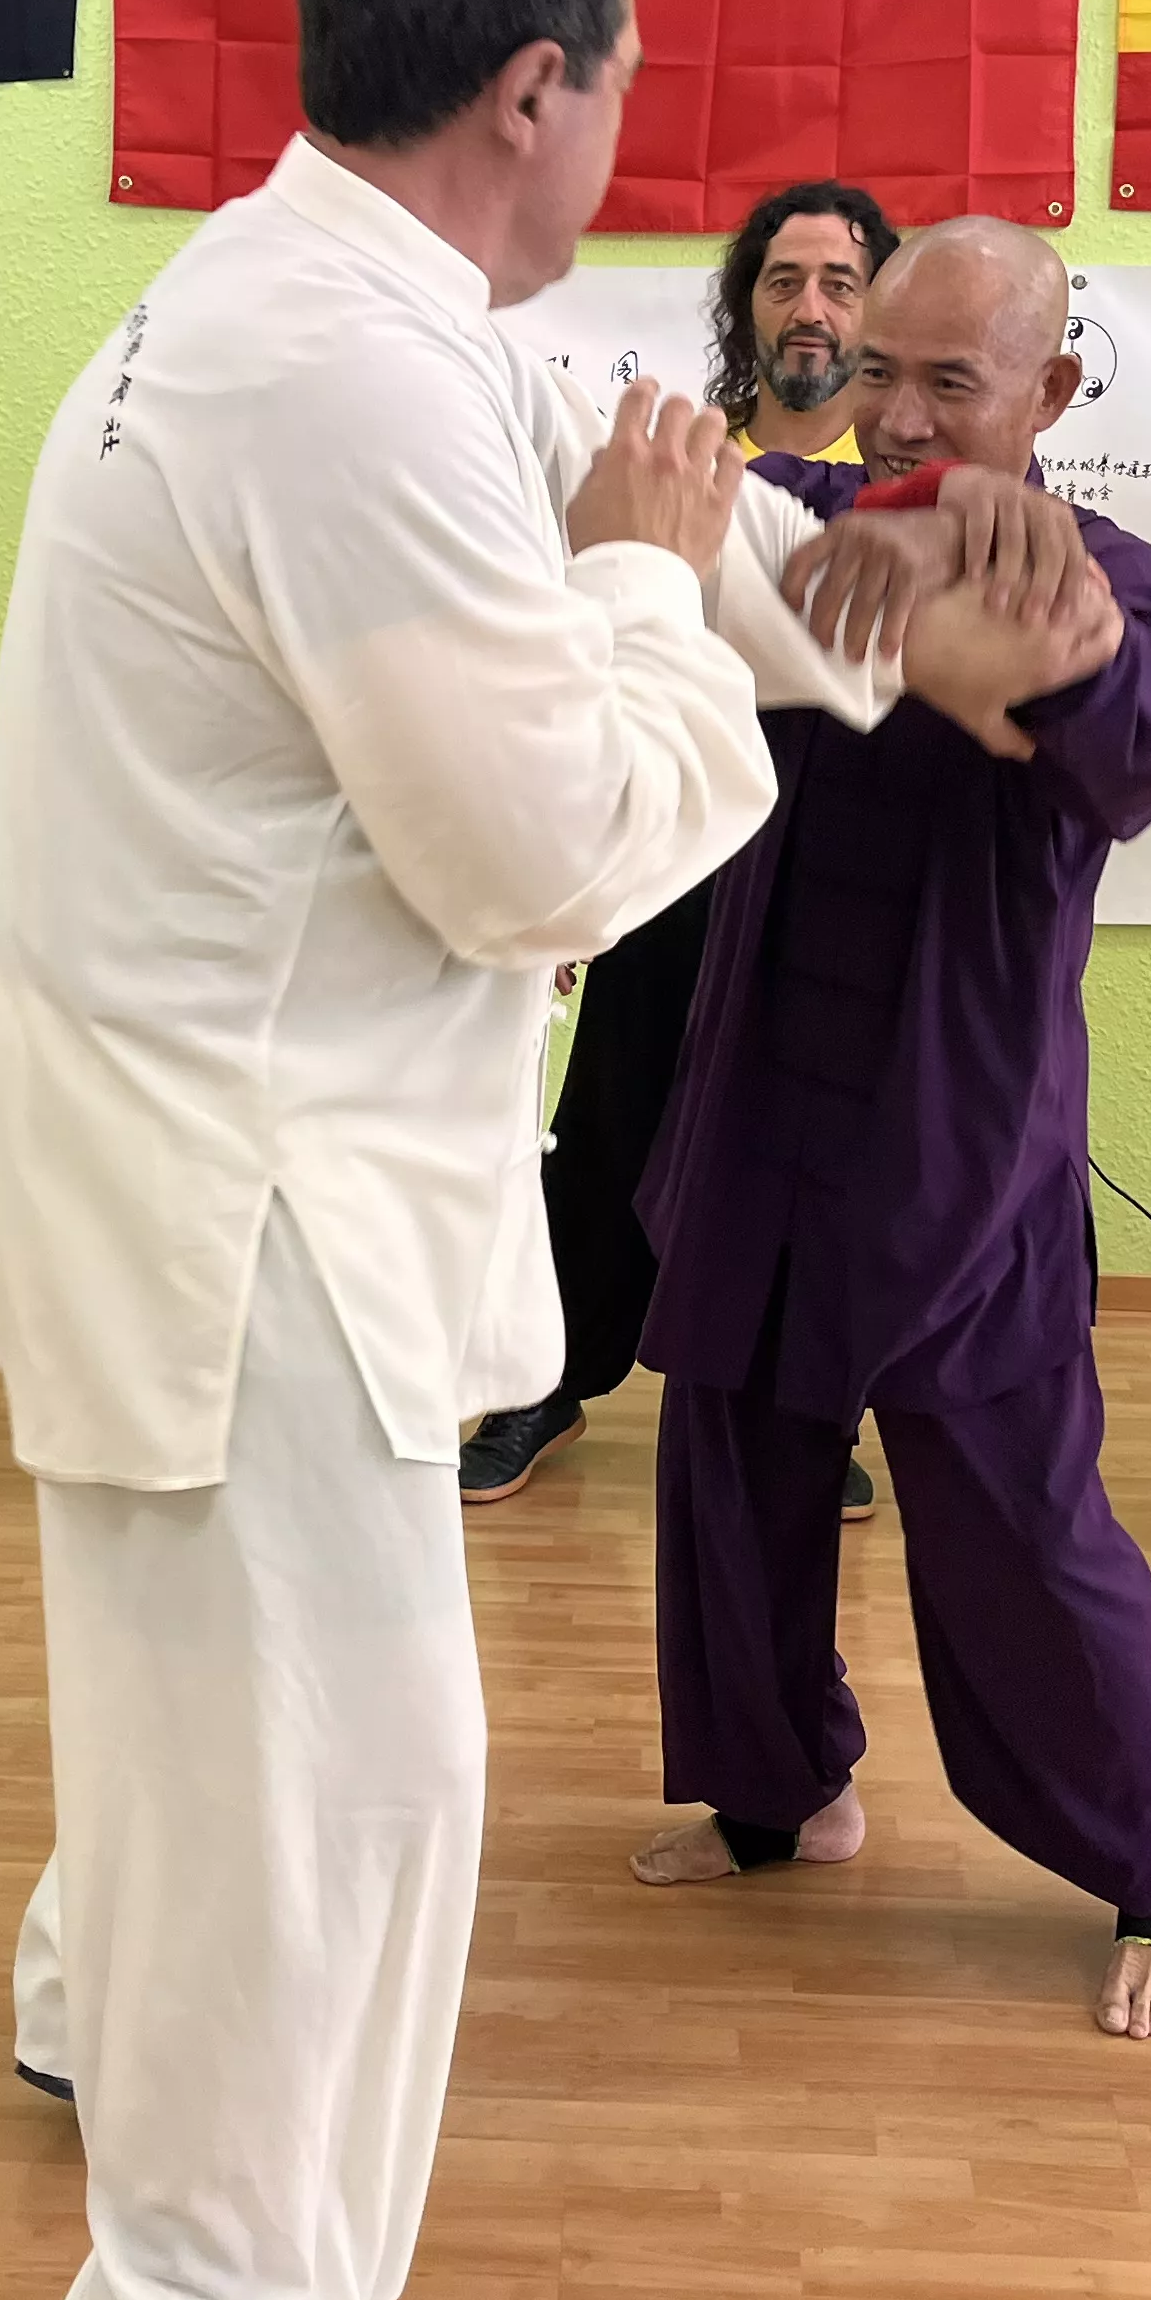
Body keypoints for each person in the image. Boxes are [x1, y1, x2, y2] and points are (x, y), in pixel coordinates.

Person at [0, 0, 1037, 2300]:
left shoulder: (351, 295)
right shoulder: (338, 365)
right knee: (319, 1832)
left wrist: (865, 613)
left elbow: (644, 465)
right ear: (539, 87)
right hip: (247, 1223)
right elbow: (532, 848)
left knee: (240, 1803)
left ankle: (170, 2286)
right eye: (625, 91)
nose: (626, 143)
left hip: (214, 1186)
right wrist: (674, 608)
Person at [630, 216, 1151, 2041]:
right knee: (730, 1450)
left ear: (1048, 391)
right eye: (875, 362)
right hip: (753, 1081)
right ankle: (775, 1789)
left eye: (945, 380)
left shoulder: (1099, 567)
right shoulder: (799, 514)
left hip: (953, 1121)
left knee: (1016, 1510)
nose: (889, 404)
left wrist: (1050, 635)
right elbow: (643, 529)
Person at [462, 176, 901, 1511]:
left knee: (812, 1156)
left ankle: (806, 1421)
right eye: (785, 280)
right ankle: (549, 1379)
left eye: (838, 281)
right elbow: (573, 647)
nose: (811, 307)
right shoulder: (677, 472)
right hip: (671, 850)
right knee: (613, 1119)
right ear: (747, 306)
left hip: (833, 882)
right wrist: (554, 882)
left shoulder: (917, 488)